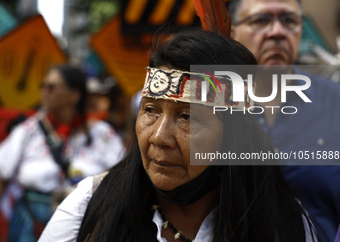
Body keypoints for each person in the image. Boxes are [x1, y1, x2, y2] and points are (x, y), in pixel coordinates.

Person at [39, 30, 315, 242]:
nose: (159, 137)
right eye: (150, 110)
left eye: (188, 117)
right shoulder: (89, 206)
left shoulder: (283, 222)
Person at [228, 0, 340, 241]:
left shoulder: (335, 103)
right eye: (260, 20)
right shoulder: (210, 109)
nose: (277, 32)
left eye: (289, 20)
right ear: (232, 31)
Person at [0, 64, 125, 242]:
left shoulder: (102, 134)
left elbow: (122, 178)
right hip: (29, 224)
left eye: (52, 87)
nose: (45, 91)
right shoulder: (28, 131)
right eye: (43, 86)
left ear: (75, 95)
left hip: (85, 223)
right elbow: (2, 173)